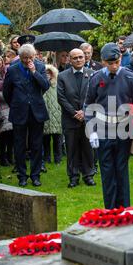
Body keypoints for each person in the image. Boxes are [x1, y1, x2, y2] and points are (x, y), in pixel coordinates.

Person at [84, 43, 133, 209]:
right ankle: (110, 210)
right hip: (103, 129)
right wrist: (92, 131)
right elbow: (88, 105)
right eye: (110, 63)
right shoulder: (96, 78)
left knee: (121, 169)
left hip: (123, 129)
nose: (114, 66)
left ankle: (124, 209)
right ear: (103, 61)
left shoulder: (130, 77)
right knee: (107, 171)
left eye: (117, 62)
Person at [3, 44, 50, 188]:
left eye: (30, 57)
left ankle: (35, 175)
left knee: (36, 145)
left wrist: (34, 72)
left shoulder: (40, 67)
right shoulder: (12, 69)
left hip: (37, 111)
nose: (28, 60)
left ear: (35, 56)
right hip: (19, 111)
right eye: (25, 58)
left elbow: (45, 86)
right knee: (19, 145)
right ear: (20, 57)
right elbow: (7, 92)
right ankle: (22, 176)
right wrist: (17, 103)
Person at [57, 49, 95, 188]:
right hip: (70, 119)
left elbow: (94, 95)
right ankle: (73, 177)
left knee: (88, 149)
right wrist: (74, 113)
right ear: (70, 60)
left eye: (80, 57)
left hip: (88, 118)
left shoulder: (92, 74)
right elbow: (61, 98)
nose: (78, 60)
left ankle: (88, 175)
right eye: (75, 58)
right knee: (71, 149)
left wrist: (84, 112)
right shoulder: (62, 76)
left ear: (84, 58)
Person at [43, 65, 63, 165]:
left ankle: (58, 159)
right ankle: (47, 158)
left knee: (57, 139)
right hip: (45, 115)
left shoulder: (57, 85)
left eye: (49, 73)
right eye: (45, 73)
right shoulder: (41, 85)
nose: (47, 75)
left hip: (57, 115)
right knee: (45, 139)